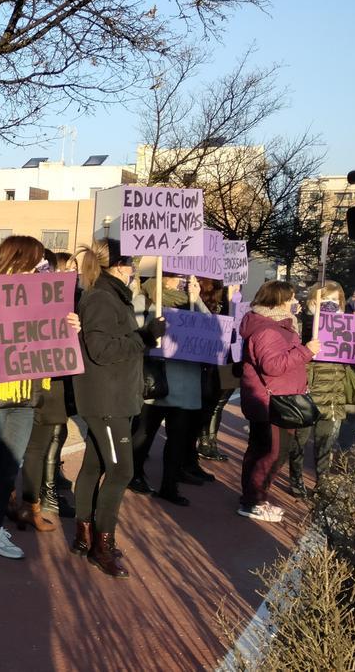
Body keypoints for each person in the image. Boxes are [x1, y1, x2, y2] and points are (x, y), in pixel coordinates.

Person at [0, 236, 80, 562]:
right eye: (37, 261)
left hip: (25, 393)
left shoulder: (43, 299)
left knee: (9, 467)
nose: (42, 267)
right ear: (18, 258)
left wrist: (69, 329)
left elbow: (52, 348)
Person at [72, 238, 163, 578]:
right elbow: (102, 349)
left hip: (113, 397)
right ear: (119, 267)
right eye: (131, 264)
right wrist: (145, 336)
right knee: (121, 471)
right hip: (106, 400)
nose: (134, 270)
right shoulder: (101, 298)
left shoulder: (110, 296)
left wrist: (143, 335)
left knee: (95, 466)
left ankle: (84, 536)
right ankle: (101, 545)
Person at [238, 280, 319, 522]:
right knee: (271, 453)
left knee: (262, 450)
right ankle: (253, 501)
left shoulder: (276, 326)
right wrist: (306, 351)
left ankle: (253, 498)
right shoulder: (268, 329)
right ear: (279, 300)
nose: (295, 302)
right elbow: (273, 366)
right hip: (272, 402)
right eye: (292, 298)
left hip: (274, 399)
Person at [129, 273, 212, 507]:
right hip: (157, 381)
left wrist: (196, 299)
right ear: (162, 277)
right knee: (143, 434)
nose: (182, 280)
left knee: (178, 438)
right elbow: (137, 333)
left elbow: (210, 329)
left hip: (186, 382)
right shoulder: (144, 299)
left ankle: (170, 484)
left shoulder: (190, 300)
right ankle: (134, 475)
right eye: (176, 276)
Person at [12, 249, 77, 531]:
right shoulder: (11, 297)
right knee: (16, 448)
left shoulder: (68, 300)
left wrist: (75, 327)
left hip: (49, 384)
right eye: (41, 269)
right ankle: (13, 499)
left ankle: (31, 505)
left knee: (38, 447)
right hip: (17, 386)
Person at [281, 281, 351, 496]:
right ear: (313, 301)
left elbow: (352, 357)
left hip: (332, 392)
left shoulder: (347, 326)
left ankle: (322, 482)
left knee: (325, 442)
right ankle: (296, 479)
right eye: (325, 300)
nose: (330, 305)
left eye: (335, 300)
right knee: (299, 440)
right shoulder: (301, 323)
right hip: (307, 390)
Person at [196, 279, 237, 463]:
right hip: (212, 361)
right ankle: (205, 442)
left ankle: (211, 442)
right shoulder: (202, 303)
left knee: (218, 404)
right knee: (209, 403)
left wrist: (232, 301)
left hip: (229, 360)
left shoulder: (231, 303)